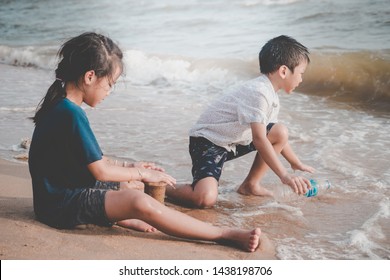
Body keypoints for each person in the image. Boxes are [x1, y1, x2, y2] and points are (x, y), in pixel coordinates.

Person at [28, 32, 261, 252]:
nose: (110, 91)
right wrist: (142, 173)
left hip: (56, 196)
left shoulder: (61, 105)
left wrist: (130, 169)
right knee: (138, 199)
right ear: (90, 77)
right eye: (110, 83)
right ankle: (222, 234)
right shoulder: (71, 113)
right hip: (60, 206)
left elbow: (89, 159)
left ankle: (125, 216)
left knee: (131, 186)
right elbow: (99, 171)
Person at [167, 35, 315, 208]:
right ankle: (160, 186)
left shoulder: (271, 94)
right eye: (300, 74)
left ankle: (250, 185)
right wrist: (284, 176)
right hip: (208, 142)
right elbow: (260, 140)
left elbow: (273, 133)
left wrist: (294, 162)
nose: (301, 80)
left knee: (279, 131)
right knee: (204, 199)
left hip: (233, 140)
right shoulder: (259, 92)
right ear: (283, 71)